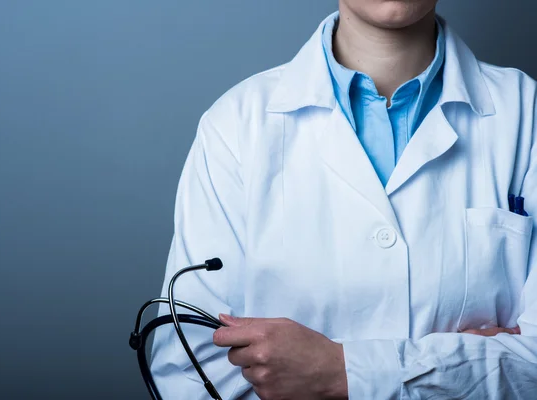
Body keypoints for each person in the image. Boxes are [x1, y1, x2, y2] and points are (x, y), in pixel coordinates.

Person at [150, 1, 537, 398]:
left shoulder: (526, 113)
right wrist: (467, 368)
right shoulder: (236, 127)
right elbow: (191, 372)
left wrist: (341, 372)